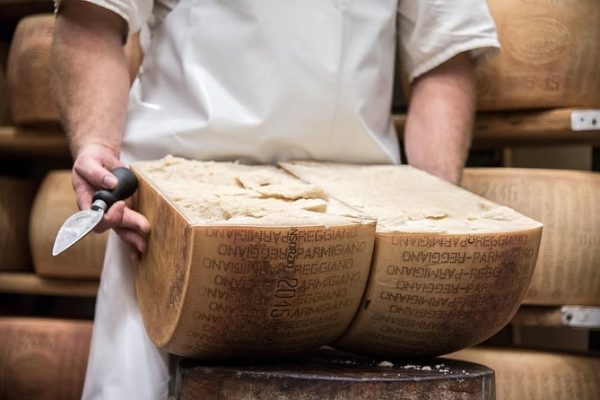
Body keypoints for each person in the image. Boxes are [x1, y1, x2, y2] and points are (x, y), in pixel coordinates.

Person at [51, 1, 500, 398]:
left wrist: (433, 213)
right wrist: (97, 146)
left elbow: (445, 53)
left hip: (360, 228)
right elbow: (93, 16)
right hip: (178, 209)